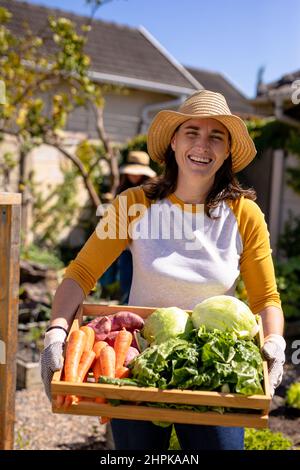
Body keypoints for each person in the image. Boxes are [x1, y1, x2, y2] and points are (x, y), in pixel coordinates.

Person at [40, 90, 286, 450]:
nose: (203, 145)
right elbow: (81, 273)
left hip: (214, 374)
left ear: (228, 150)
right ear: (173, 141)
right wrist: (56, 331)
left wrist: (276, 341)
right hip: (137, 364)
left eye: (216, 136)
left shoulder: (243, 214)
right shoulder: (135, 204)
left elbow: (266, 298)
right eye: (192, 132)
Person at [98, 151, 156, 303]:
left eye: (138, 172)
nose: (134, 176)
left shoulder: (153, 191)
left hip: (146, 244)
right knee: (125, 279)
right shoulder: (122, 189)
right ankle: (126, 305)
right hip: (125, 244)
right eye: (132, 172)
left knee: (144, 281)